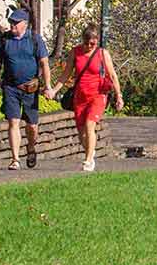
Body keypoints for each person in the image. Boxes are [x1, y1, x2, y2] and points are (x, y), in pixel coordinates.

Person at [48, 26, 123, 172]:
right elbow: (66, 74)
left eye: (92, 44)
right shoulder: (75, 53)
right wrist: (54, 90)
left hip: (98, 95)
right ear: (83, 41)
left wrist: (118, 95)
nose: (89, 46)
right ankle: (90, 150)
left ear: (97, 42)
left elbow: (113, 75)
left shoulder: (102, 54)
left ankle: (88, 160)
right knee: (81, 132)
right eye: (86, 43)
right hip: (80, 96)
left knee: (90, 125)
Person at [0, 8, 52, 171]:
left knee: (32, 126)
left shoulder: (35, 39)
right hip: (10, 87)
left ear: (25, 24)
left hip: (30, 88)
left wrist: (48, 86)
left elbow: (44, 63)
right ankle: (15, 159)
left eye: (15, 22)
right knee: (13, 122)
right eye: (11, 22)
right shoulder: (4, 40)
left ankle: (31, 147)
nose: (12, 25)